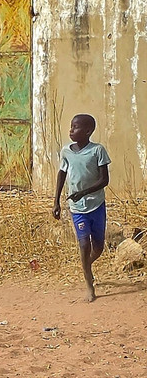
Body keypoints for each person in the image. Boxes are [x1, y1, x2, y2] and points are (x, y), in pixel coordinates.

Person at [53, 113, 111, 302]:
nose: (71, 130)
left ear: (88, 131)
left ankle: (86, 265)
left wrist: (84, 192)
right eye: (71, 126)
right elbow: (61, 175)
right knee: (84, 244)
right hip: (76, 207)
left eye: (76, 127)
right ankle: (89, 285)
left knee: (98, 247)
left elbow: (104, 179)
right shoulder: (66, 151)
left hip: (96, 205)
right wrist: (56, 203)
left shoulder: (97, 151)